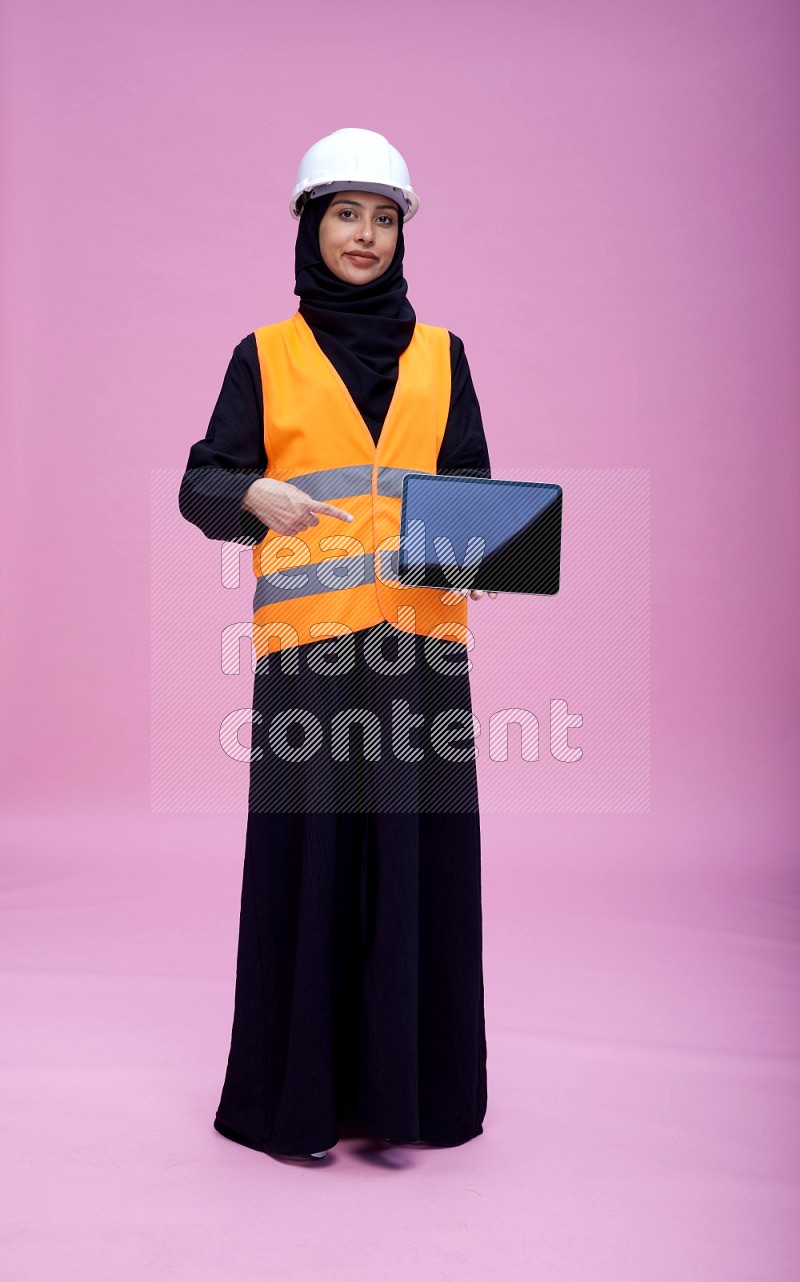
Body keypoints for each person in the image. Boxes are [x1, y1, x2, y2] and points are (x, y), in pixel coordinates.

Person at [179, 127, 496, 1162]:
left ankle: (408, 1101)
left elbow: (473, 503)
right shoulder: (261, 355)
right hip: (310, 655)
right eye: (344, 213)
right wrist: (248, 493)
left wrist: (486, 543)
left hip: (417, 655)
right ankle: (296, 1101)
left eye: (382, 216)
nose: (363, 234)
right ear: (310, 224)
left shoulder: (445, 356)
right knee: (310, 865)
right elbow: (202, 482)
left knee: (412, 868)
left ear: (403, 233)